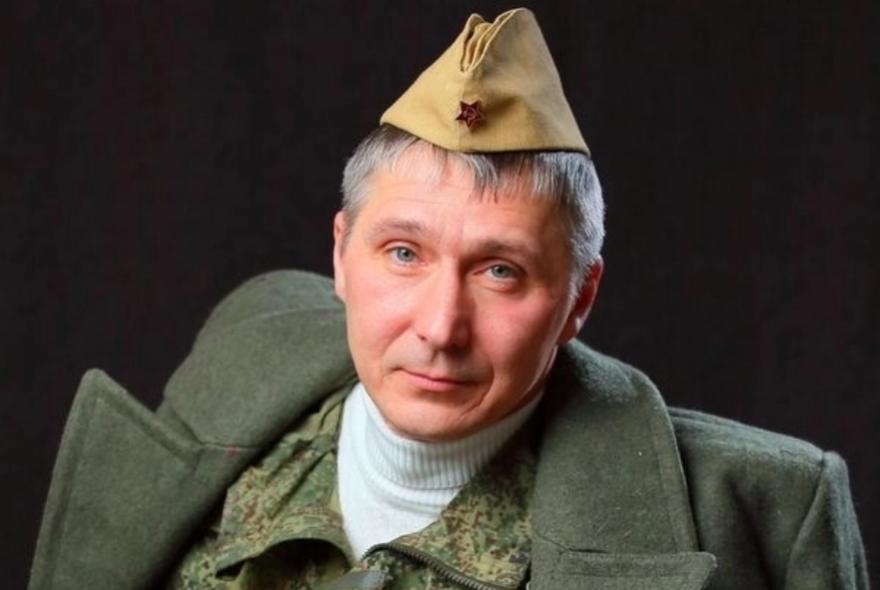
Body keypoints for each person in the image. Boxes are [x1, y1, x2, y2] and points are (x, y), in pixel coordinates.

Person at [29, 8, 867, 590]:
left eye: (500, 271)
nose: (439, 327)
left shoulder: (759, 514)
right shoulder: (248, 357)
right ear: (340, 255)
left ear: (580, 298)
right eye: (403, 254)